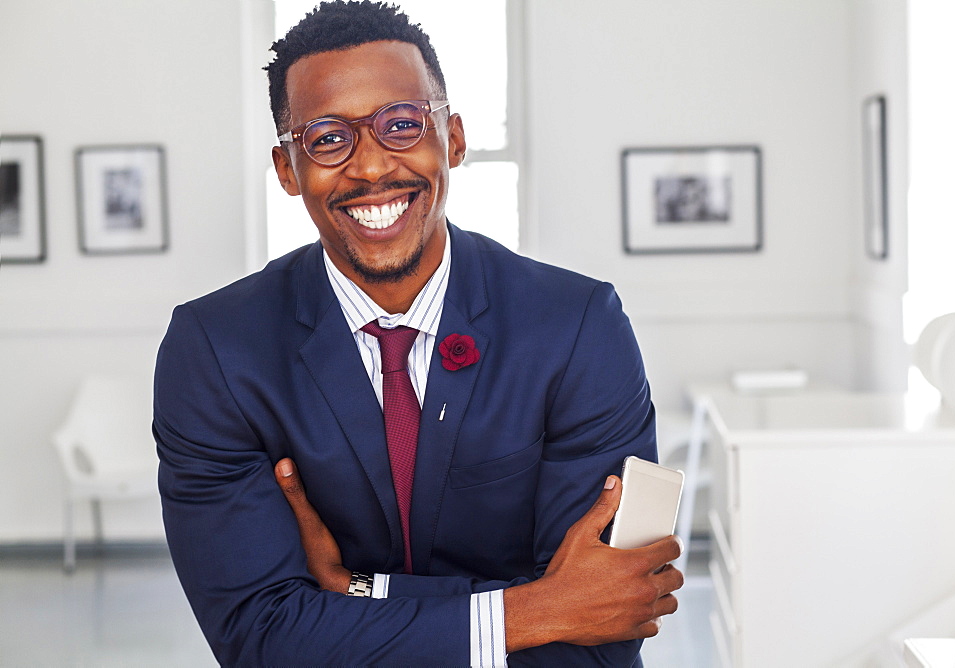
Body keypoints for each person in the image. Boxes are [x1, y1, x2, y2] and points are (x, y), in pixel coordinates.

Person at [153, 2, 683, 665]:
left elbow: (608, 623)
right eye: (327, 138)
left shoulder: (578, 326)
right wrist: (537, 608)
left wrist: (358, 592)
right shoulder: (216, 351)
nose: (371, 168)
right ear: (288, 169)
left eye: (402, 125)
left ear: (453, 139)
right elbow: (260, 639)